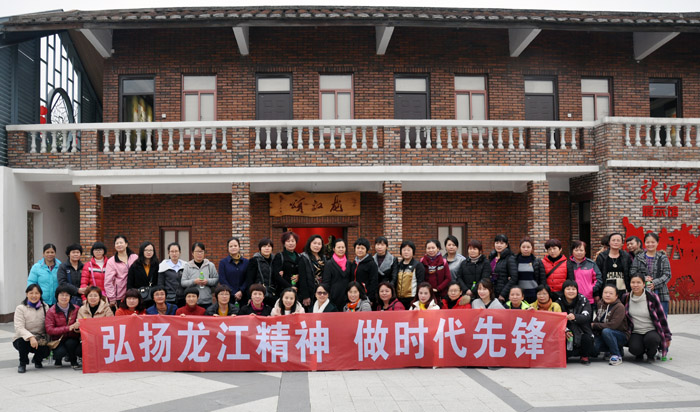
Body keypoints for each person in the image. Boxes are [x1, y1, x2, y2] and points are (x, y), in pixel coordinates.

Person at [624, 274, 672, 362]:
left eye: (638, 282)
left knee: (652, 340)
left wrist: (667, 336)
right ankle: (640, 352)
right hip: (635, 331)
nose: (635, 285)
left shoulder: (652, 297)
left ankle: (651, 354)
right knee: (635, 349)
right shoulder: (626, 297)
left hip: (651, 330)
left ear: (643, 284)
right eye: (633, 282)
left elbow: (662, 318)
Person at [630, 232, 672, 316]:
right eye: (648, 242)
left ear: (657, 243)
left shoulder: (663, 257)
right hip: (642, 291)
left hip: (661, 292)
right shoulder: (638, 257)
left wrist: (654, 283)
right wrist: (644, 278)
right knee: (644, 317)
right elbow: (633, 272)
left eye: (653, 242)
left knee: (661, 318)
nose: (650, 244)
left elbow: (667, 274)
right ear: (644, 243)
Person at [13, 284, 51, 373]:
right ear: (27, 294)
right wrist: (30, 337)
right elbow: (19, 327)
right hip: (23, 337)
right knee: (22, 342)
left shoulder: (45, 307)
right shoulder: (21, 308)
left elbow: (48, 323)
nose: (34, 295)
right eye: (31, 293)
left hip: (40, 337)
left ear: (40, 295)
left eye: (37, 293)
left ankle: (37, 360)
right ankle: (22, 363)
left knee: (46, 350)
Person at [557, 280, 594, 365]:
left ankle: (584, 356)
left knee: (587, 338)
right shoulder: (558, 302)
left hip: (582, 328)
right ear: (563, 290)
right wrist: (565, 330)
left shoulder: (584, 300)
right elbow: (557, 320)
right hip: (565, 329)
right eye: (568, 289)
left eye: (573, 289)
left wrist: (575, 317)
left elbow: (587, 316)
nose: (571, 291)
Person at [44, 284, 81, 369]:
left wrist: (76, 328)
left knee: (71, 343)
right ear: (57, 296)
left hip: (72, 338)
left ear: (70, 297)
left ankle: (73, 360)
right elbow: (49, 330)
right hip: (58, 339)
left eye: (67, 295)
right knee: (59, 353)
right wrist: (68, 328)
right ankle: (58, 359)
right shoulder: (51, 311)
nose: (64, 297)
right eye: (62, 295)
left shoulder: (76, 309)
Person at [591, 285, 629, 366]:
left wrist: (595, 325)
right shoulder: (600, 304)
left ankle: (616, 355)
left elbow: (613, 325)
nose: (607, 295)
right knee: (593, 348)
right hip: (603, 334)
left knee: (607, 331)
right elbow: (598, 319)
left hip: (620, 335)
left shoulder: (619, 307)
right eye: (605, 293)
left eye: (611, 293)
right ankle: (615, 349)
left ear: (616, 296)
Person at [246, 238, 290, 306]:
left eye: (269, 246)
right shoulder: (254, 261)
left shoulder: (275, 260)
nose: (267, 248)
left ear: (272, 248)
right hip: (259, 294)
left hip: (273, 294)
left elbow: (277, 277)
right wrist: (249, 296)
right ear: (260, 248)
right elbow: (249, 280)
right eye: (264, 246)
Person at [272, 231, 308, 305]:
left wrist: (299, 276)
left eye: (293, 241)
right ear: (284, 243)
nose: (291, 243)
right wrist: (290, 287)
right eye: (288, 241)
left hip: (298, 292)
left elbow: (304, 274)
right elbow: (276, 276)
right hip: (283, 291)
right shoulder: (279, 256)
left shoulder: (300, 257)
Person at [181, 242, 219, 308]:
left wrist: (207, 281)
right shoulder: (187, 266)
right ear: (192, 253)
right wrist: (194, 281)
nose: (199, 254)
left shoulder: (210, 265)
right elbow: (183, 282)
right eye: (197, 252)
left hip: (207, 300)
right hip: (192, 302)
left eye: (201, 251)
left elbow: (216, 280)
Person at [104, 235, 138, 309]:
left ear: (126, 244)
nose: (119, 245)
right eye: (117, 243)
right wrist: (112, 298)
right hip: (120, 295)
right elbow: (108, 281)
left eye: (121, 242)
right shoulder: (111, 261)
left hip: (135, 293)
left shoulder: (135, 257)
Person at [595, 232, 631, 299]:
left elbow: (629, 274)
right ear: (609, 242)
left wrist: (630, 290)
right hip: (606, 291)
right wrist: (596, 293)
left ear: (622, 243)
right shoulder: (602, 256)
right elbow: (597, 275)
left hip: (622, 290)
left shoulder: (626, 256)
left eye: (618, 240)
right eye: (613, 240)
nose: (616, 242)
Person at [392, 240, 426, 309]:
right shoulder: (398, 265)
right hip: (399, 299)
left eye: (408, 250)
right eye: (404, 250)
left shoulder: (418, 265)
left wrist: (417, 298)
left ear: (413, 251)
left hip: (412, 299)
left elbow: (420, 283)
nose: (406, 252)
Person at [568, 240, 602, 305]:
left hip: (588, 299)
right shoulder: (567, 264)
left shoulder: (591, 264)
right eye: (576, 250)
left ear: (585, 252)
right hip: (572, 299)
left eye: (581, 250)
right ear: (572, 251)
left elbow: (598, 279)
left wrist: (591, 289)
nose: (579, 252)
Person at [322, 238, 353, 310]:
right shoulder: (329, 264)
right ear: (334, 249)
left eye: (343, 247)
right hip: (333, 297)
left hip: (347, 297)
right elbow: (326, 282)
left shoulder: (349, 263)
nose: (341, 249)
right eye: (338, 247)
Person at [127, 241, 160, 306]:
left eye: (151, 250)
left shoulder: (157, 265)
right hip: (139, 297)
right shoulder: (135, 266)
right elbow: (130, 284)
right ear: (142, 251)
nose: (148, 252)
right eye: (146, 250)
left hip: (153, 298)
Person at [218, 237, 249, 307]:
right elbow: (222, 279)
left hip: (243, 296)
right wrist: (233, 292)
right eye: (231, 246)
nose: (233, 248)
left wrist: (241, 291)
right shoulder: (223, 262)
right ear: (228, 248)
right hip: (228, 296)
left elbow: (248, 279)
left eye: (235, 246)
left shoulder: (246, 262)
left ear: (239, 247)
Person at [514, 238, 545, 304]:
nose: (526, 249)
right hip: (519, 294)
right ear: (520, 248)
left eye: (528, 247)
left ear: (532, 248)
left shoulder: (537, 261)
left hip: (533, 293)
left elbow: (542, 279)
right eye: (523, 247)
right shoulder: (515, 261)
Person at [299, 234, 326, 308]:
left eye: (319, 244)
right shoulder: (304, 257)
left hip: (321, 291)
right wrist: (305, 296)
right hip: (310, 291)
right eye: (314, 243)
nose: (317, 246)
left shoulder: (323, 258)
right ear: (309, 244)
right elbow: (302, 278)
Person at [488, 234, 518, 302]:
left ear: (506, 245)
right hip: (492, 292)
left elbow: (514, 278)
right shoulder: (492, 258)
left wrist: (503, 294)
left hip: (503, 295)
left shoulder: (510, 258)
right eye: (497, 243)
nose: (499, 245)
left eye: (501, 243)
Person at [350, 237, 379, 305]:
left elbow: (374, 282)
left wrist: (371, 298)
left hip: (366, 297)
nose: (360, 250)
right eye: (358, 248)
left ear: (366, 250)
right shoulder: (354, 263)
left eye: (362, 248)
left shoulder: (371, 264)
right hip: (354, 296)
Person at [157, 242, 187, 307]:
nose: (174, 253)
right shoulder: (163, 266)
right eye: (172, 251)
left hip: (183, 298)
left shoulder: (185, 266)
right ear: (168, 253)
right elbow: (160, 284)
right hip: (169, 299)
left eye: (176, 251)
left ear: (180, 252)